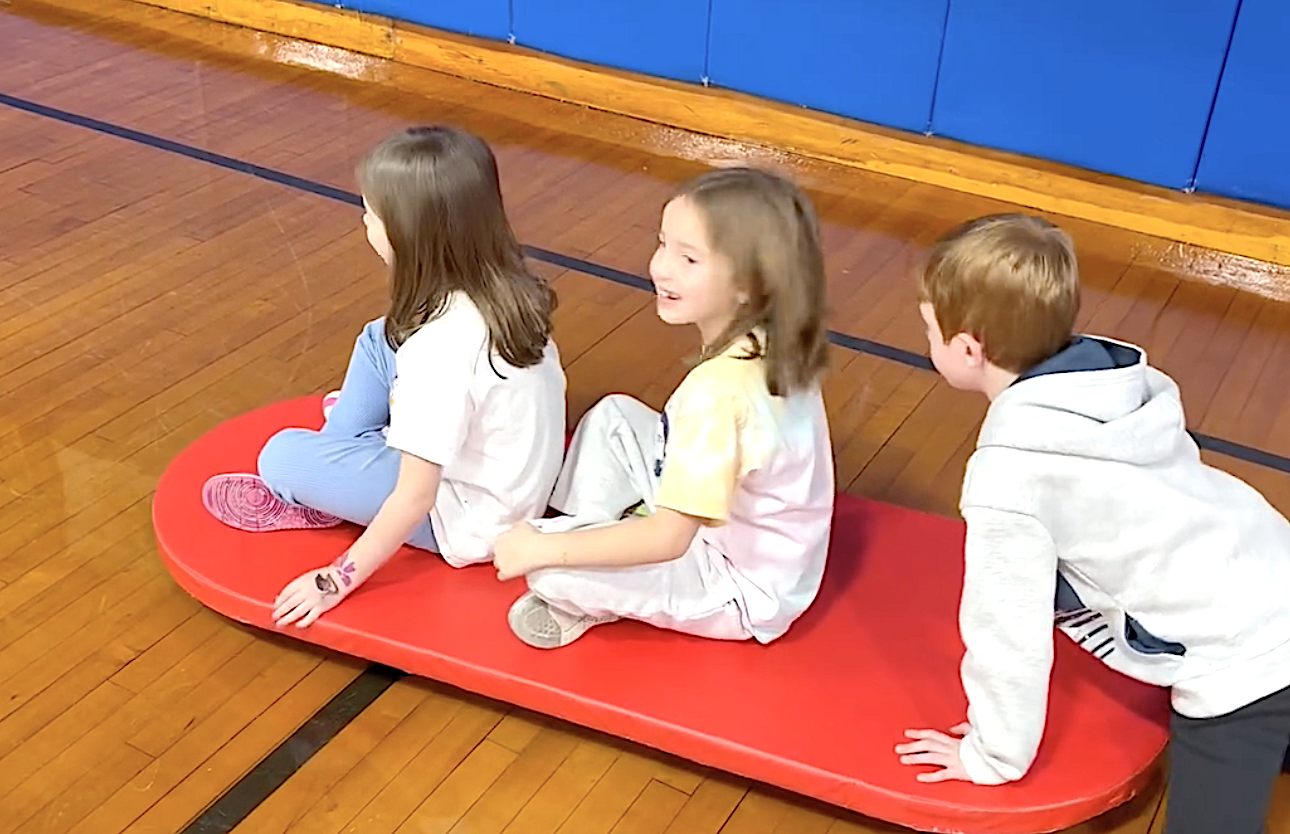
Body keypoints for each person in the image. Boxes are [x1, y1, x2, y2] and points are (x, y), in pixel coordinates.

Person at [895, 213, 1290, 834]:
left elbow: (1008, 635)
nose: (926, 339)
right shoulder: (1119, 385)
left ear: (968, 348)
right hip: (1273, 564)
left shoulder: (1011, 476)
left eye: (928, 329)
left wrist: (992, 754)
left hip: (1242, 663)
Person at [203, 126, 567, 629]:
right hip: (503, 483)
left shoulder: (439, 349)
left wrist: (334, 579)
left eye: (370, 214)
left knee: (282, 456)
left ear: (405, 233)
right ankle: (348, 452)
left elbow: (415, 497)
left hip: (463, 518)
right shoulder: (506, 289)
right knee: (381, 338)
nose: (363, 221)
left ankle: (326, 485)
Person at [491, 166, 835, 650]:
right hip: (761, 542)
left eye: (689, 258)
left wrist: (546, 548)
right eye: (663, 244)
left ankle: (589, 561)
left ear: (751, 284)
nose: (661, 267)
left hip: (738, 585)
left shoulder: (717, 394)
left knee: (548, 573)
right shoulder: (775, 338)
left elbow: (670, 540)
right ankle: (599, 533)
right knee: (613, 416)